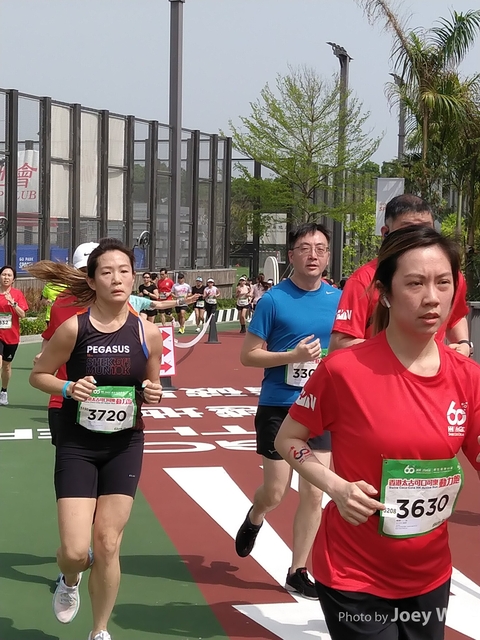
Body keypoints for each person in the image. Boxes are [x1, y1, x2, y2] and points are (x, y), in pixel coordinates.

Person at [275, 225, 480, 640]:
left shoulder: (468, 377)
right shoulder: (344, 371)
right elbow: (288, 439)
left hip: (430, 574)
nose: (432, 297)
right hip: (353, 574)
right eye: (415, 283)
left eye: (443, 283)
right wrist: (336, 487)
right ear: (384, 293)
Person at [29, 238, 163, 640]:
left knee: (107, 542)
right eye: (107, 272)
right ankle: (70, 578)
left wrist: (152, 393)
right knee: (75, 552)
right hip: (78, 445)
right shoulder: (74, 328)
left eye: (124, 271)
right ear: (92, 280)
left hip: (125, 445)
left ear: (134, 278)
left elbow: (150, 386)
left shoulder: (149, 333)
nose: (116, 279)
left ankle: (99, 630)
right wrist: (68, 388)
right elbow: (38, 375)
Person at [235, 222, 341, 599]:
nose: (313, 255)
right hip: (280, 405)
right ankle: (256, 515)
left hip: (322, 409)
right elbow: (248, 355)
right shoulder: (273, 300)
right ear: (291, 255)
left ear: (328, 257)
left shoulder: (340, 300)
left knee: (314, 493)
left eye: (321, 249)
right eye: (305, 248)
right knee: (276, 491)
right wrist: (291, 356)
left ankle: (298, 570)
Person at [329, 194, 471, 356]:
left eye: (425, 229)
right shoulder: (363, 280)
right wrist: (400, 350)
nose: (418, 236)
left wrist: (464, 344)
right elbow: (340, 344)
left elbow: (456, 316)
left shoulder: (451, 275)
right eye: (408, 230)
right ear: (386, 233)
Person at [0, 265, 28, 405]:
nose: (6, 277)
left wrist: (13, 303)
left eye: (9, 275)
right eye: (4, 274)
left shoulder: (17, 294)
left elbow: (23, 314)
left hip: (11, 337)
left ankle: (4, 391)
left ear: (13, 279)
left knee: (6, 366)